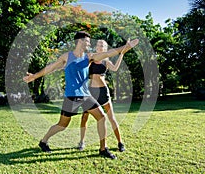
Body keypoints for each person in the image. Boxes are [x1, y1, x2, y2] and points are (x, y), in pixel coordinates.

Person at [23, 31, 139, 159]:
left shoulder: (89, 57)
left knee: (102, 117)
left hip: (85, 95)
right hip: (71, 96)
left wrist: (125, 47)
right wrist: (34, 76)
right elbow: (49, 68)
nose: (89, 44)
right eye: (87, 42)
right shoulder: (66, 57)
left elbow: (107, 53)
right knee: (62, 125)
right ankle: (43, 141)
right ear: (80, 41)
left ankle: (103, 148)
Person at [78, 39, 126, 152]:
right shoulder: (91, 58)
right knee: (84, 117)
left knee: (111, 118)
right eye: (99, 45)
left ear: (105, 49)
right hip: (91, 92)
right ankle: (81, 142)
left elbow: (115, 68)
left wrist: (121, 55)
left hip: (103, 91)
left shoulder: (106, 61)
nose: (100, 46)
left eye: (103, 45)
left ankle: (120, 142)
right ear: (96, 47)